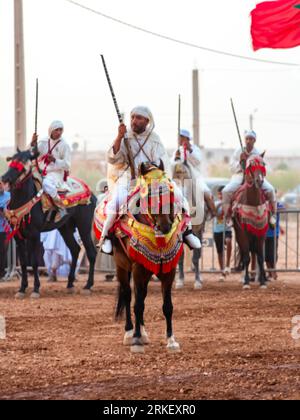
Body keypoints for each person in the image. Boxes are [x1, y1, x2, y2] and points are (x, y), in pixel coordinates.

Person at [99, 106, 201, 254]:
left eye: (138, 118)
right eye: (133, 117)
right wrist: (119, 137)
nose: (134, 121)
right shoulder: (125, 136)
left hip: (153, 180)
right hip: (129, 180)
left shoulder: (154, 139)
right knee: (115, 202)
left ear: (147, 121)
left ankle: (188, 232)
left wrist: (149, 168)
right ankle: (106, 236)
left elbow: (162, 162)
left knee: (179, 196)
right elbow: (113, 158)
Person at [222, 130, 276, 226]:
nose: (248, 141)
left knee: (270, 189)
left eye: (250, 139)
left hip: (255, 177)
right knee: (226, 191)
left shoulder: (258, 153)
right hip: (239, 176)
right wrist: (240, 161)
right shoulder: (238, 151)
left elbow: (264, 167)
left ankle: (273, 215)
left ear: (254, 140)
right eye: (246, 139)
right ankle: (228, 216)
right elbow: (231, 167)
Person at [31, 120, 71, 215]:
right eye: (56, 130)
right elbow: (33, 154)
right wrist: (33, 143)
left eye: (61, 130)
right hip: (40, 170)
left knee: (46, 183)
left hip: (55, 173)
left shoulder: (64, 145)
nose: (59, 132)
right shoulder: (43, 142)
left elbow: (67, 165)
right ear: (51, 130)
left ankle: (59, 205)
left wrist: (54, 160)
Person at [172, 129, 215, 216]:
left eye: (181, 138)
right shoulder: (177, 151)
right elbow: (172, 165)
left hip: (196, 178)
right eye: (179, 138)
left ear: (187, 139)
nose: (179, 140)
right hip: (181, 180)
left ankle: (214, 213)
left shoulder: (195, 149)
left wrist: (190, 151)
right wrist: (176, 158)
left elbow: (198, 161)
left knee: (207, 194)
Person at [213, 186, 232, 282]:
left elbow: (230, 214)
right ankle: (222, 272)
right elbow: (215, 214)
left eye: (222, 194)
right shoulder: (216, 203)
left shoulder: (229, 203)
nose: (221, 196)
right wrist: (220, 205)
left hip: (227, 229)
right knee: (220, 251)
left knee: (228, 241)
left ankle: (228, 265)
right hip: (217, 230)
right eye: (220, 194)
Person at [265, 200, 285, 280]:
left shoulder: (277, 203)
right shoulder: (263, 203)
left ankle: (273, 271)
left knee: (273, 254)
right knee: (266, 255)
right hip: (264, 233)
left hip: (274, 234)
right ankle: (271, 273)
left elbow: (283, 209)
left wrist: (273, 209)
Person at [0, 181, 10, 281]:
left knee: (3, 251)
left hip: (5, 228)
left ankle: (2, 273)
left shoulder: (9, 195)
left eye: (1, 184)